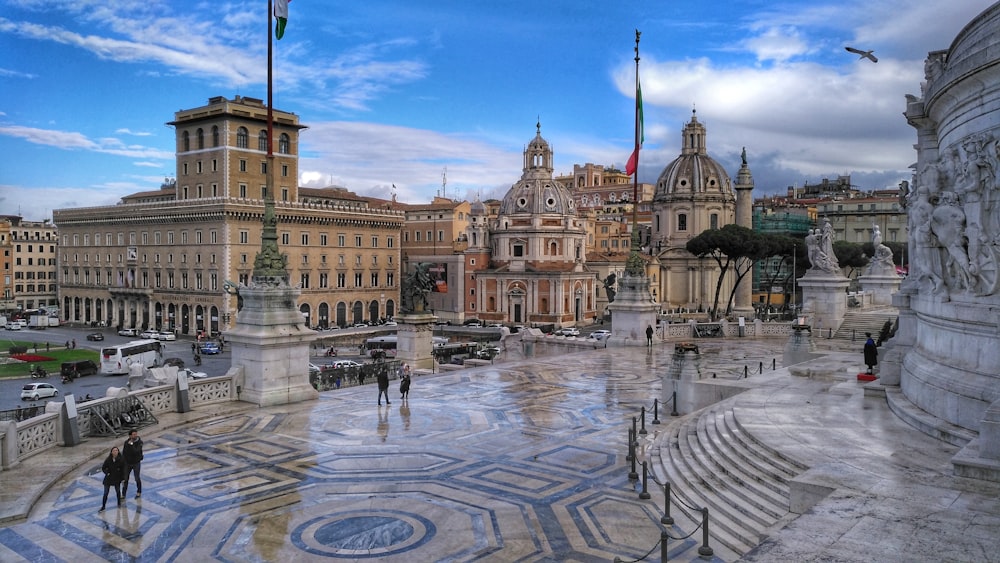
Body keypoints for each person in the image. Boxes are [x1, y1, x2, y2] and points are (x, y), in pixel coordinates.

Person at [100, 446, 126, 512]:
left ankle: (119, 503)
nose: (115, 452)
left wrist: (123, 478)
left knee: (117, 491)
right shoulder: (108, 459)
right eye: (114, 450)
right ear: (111, 452)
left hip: (117, 478)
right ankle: (103, 506)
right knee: (105, 493)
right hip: (108, 478)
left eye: (116, 450)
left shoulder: (121, 459)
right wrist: (107, 473)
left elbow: (123, 470)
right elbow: (103, 468)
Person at [122, 430, 144, 499]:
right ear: (130, 435)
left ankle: (139, 491)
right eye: (133, 434)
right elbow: (124, 453)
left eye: (136, 434)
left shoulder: (139, 442)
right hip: (128, 463)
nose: (135, 436)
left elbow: (136, 451)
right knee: (125, 478)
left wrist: (131, 445)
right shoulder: (126, 442)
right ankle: (123, 494)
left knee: (137, 478)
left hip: (136, 463)